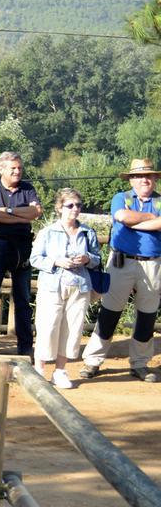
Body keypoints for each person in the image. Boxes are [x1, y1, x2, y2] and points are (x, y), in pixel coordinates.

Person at [80, 159, 161, 382]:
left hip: (153, 262)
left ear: (154, 179)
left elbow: (132, 220)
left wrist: (134, 221)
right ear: (132, 179)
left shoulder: (160, 201)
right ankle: (92, 361)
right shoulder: (121, 198)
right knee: (110, 312)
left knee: (146, 315)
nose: (145, 179)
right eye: (140, 176)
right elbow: (121, 217)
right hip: (120, 261)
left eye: (149, 176)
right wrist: (151, 219)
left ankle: (139, 364)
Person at [31, 188, 100, 390]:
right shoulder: (47, 232)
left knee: (72, 329)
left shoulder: (88, 232)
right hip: (53, 285)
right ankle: (39, 369)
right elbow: (35, 259)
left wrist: (87, 259)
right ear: (60, 208)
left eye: (78, 205)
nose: (75, 209)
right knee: (48, 325)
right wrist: (57, 262)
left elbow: (97, 258)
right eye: (70, 205)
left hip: (79, 286)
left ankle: (60, 370)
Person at [0, 151, 43, 357]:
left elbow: (36, 213)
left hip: (22, 248)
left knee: (23, 298)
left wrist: (8, 212)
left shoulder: (27, 188)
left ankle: (25, 348)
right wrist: (20, 214)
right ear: (1, 169)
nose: (17, 171)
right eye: (13, 168)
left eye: (20, 168)